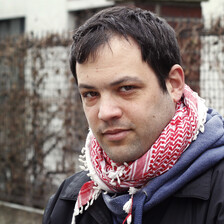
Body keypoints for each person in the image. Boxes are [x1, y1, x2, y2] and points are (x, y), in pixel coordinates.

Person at [43, 6, 224, 224]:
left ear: (174, 84)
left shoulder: (218, 191)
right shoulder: (69, 204)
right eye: (90, 94)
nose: (106, 112)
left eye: (126, 88)